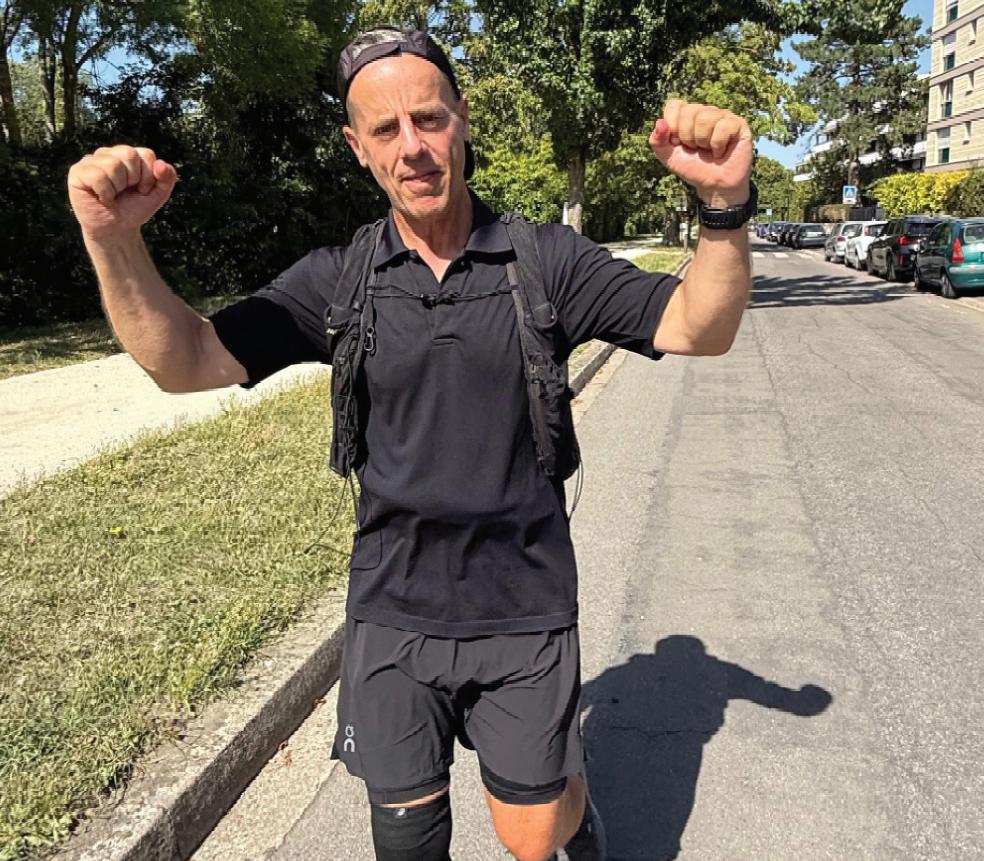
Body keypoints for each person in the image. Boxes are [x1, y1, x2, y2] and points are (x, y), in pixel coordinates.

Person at [67, 26, 754, 861]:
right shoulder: (339, 278)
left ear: (461, 118)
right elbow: (186, 360)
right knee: (406, 841)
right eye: (385, 129)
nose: (413, 147)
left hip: (523, 604)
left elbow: (698, 326)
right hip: (392, 608)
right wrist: (113, 240)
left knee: (534, 835)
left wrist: (724, 208)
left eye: (428, 118)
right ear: (357, 148)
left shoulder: (544, 261)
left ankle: (570, 801)